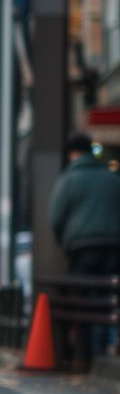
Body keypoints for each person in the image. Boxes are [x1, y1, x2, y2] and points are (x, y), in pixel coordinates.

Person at [48, 133, 120, 362]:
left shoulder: (69, 179)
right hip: (113, 245)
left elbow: (55, 217)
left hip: (82, 248)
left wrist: (64, 241)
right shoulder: (112, 178)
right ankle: (107, 346)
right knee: (108, 297)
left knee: (82, 299)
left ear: (72, 154)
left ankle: (84, 352)